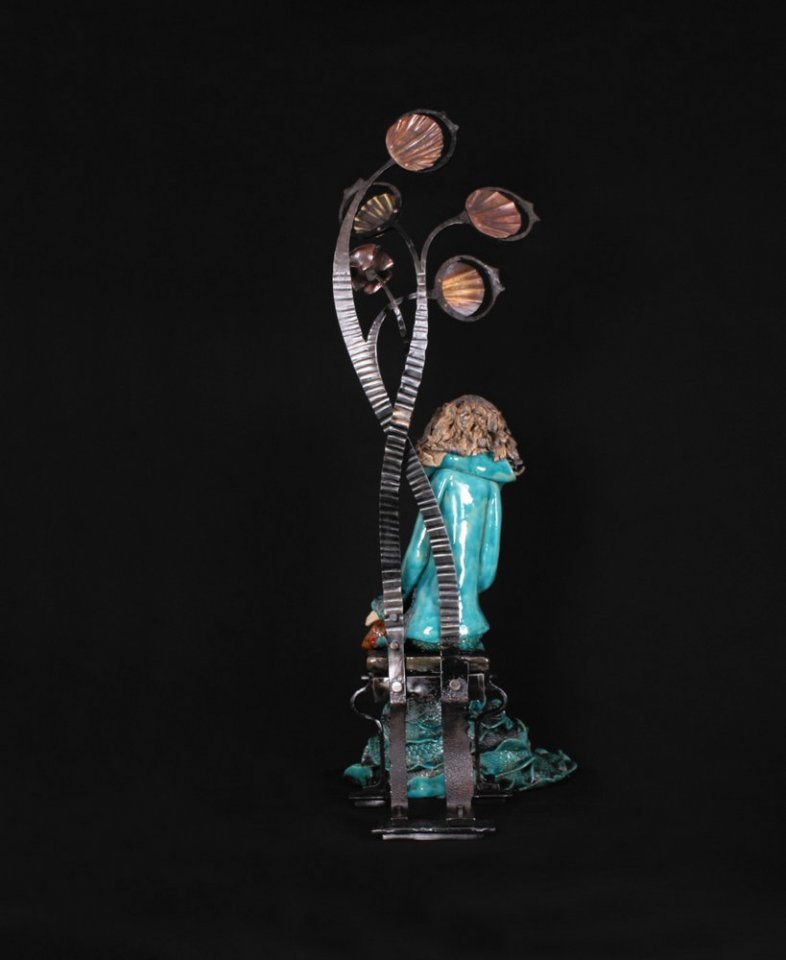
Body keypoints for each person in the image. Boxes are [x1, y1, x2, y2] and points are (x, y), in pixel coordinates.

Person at [346, 396, 576, 797]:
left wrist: (389, 600)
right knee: (463, 686)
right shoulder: (492, 487)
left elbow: (417, 556)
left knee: (414, 681)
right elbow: (487, 570)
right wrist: (466, 594)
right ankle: (463, 765)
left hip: (430, 619)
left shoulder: (443, 481)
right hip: (468, 618)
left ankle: (419, 769)